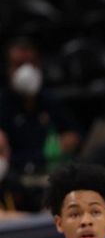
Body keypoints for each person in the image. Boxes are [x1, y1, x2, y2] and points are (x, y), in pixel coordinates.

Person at [0, 38, 80, 175]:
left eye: (32, 63)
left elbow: (75, 134)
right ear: (8, 69)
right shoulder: (3, 106)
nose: (27, 71)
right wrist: (42, 154)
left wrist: (71, 139)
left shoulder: (51, 100)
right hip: (15, 177)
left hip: (53, 174)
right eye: (19, 65)